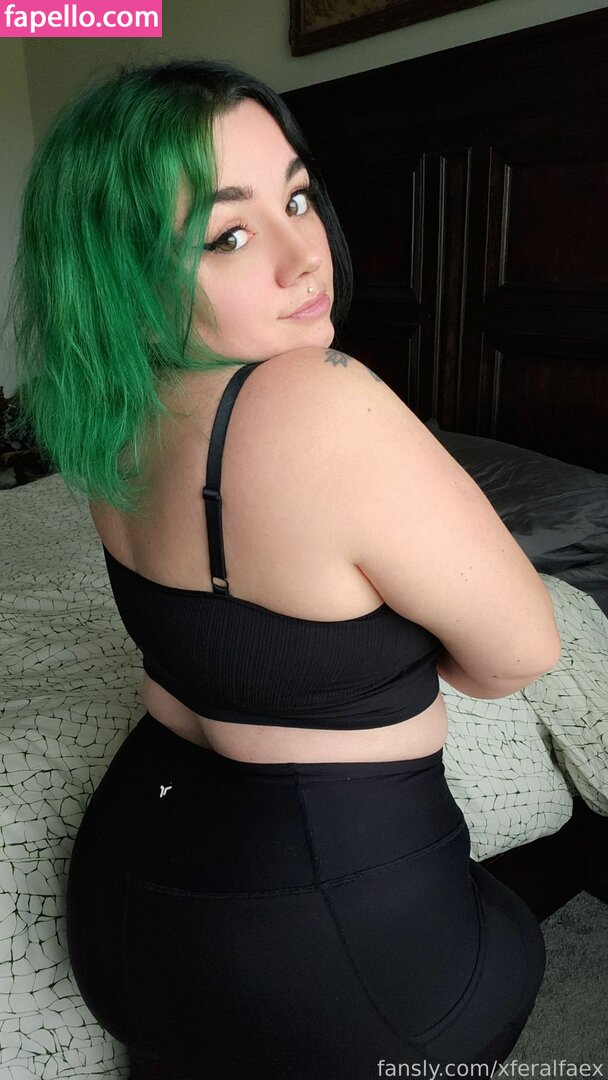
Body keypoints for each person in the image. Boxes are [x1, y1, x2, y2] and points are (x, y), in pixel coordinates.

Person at [7, 59, 561, 1079]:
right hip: (313, 947)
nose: (308, 256)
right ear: (123, 274)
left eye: (297, 198)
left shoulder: (109, 407)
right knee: (510, 954)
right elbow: (519, 655)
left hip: (125, 910)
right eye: (228, 234)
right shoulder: (318, 395)